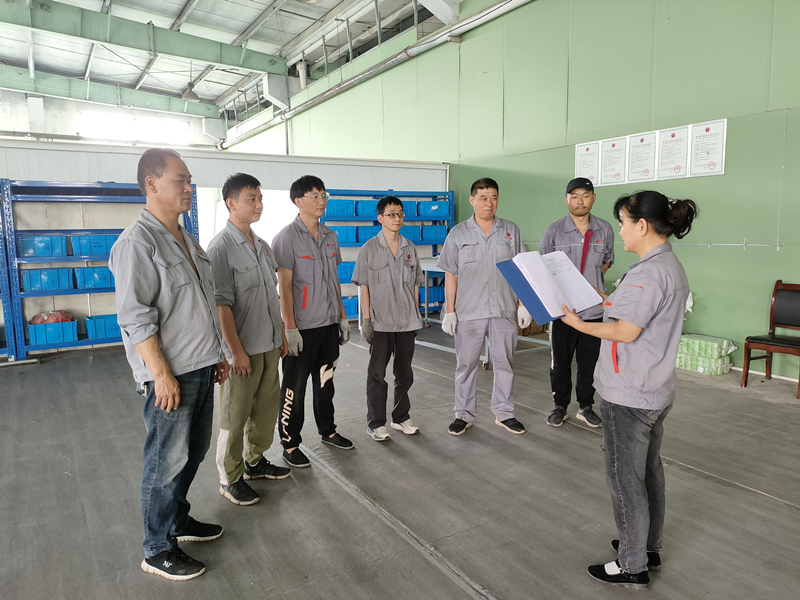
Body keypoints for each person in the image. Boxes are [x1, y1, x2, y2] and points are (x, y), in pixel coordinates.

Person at [559, 190, 697, 590]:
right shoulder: (666, 265)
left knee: (624, 480)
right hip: (655, 388)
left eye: (622, 223)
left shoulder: (648, 273)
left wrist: (578, 324)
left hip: (630, 394)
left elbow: (627, 330)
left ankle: (632, 564)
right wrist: (604, 302)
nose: (619, 231)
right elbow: (634, 311)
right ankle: (647, 547)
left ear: (642, 225)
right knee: (648, 473)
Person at [110, 148, 230, 581]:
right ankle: (157, 547)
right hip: (171, 375)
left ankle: (177, 519)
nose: (189, 187)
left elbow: (201, 303)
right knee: (164, 463)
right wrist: (160, 374)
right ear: (151, 183)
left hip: (201, 364)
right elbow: (135, 317)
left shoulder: (186, 239)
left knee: (192, 452)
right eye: (181, 179)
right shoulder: (136, 243)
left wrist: (218, 353)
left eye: (189, 180)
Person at [207, 173, 291, 507]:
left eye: (260, 198)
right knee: (235, 415)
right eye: (251, 199)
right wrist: (235, 352)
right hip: (243, 350)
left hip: (269, 344)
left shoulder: (263, 246)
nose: (259, 204)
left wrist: (281, 333)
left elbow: (272, 295)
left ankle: (255, 461)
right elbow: (221, 306)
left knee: (266, 409)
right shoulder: (220, 249)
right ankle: (229, 477)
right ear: (231, 203)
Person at [436, 177, 532, 436]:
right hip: (469, 312)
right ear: (472, 200)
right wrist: (450, 311)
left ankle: (505, 413)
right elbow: (451, 274)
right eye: (483, 198)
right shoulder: (458, 233)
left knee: (505, 364)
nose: (489, 203)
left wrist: (523, 304)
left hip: (503, 310)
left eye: (493, 198)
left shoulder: (511, 230)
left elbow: (521, 270)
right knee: (466, 365)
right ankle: (463, 414)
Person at [272, 175, 354, 468]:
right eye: (315, 196)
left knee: (325, 383)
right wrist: (290, 328)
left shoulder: (331, 236)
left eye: (323, 196)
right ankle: (290, 443)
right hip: (302, 329)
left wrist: (343, 318)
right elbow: (284, 288)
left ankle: (328, 430)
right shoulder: (286, 238)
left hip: (328, 325)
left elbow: (334, 281)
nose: (321, 201)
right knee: (294, 389)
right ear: (298, 201)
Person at [540, 177, 615, 428]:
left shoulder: (604, 229)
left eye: (585, 195)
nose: (579, 201)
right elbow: (543, 268)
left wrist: (589, 286)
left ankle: (586, 406)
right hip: (563, 311)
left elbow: (606, 261)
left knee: (589, 363)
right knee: (560, 363)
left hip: (594, 312)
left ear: (593, 198)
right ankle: (560, 406)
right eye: (574, 196)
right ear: (566, 200)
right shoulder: (554, 231)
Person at [352, 196, 424, 441]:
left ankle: (401, 417)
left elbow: (415, 285)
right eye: (392, 214)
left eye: (400, 214)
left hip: (406, 321)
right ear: (380, 218)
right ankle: (376, 423)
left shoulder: (409, 248)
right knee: (377, 375)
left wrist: (416, 315)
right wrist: (366, 320)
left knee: (404, 374)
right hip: (380, 322)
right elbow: (364, 286)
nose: (397, 218)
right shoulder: (369, 249)